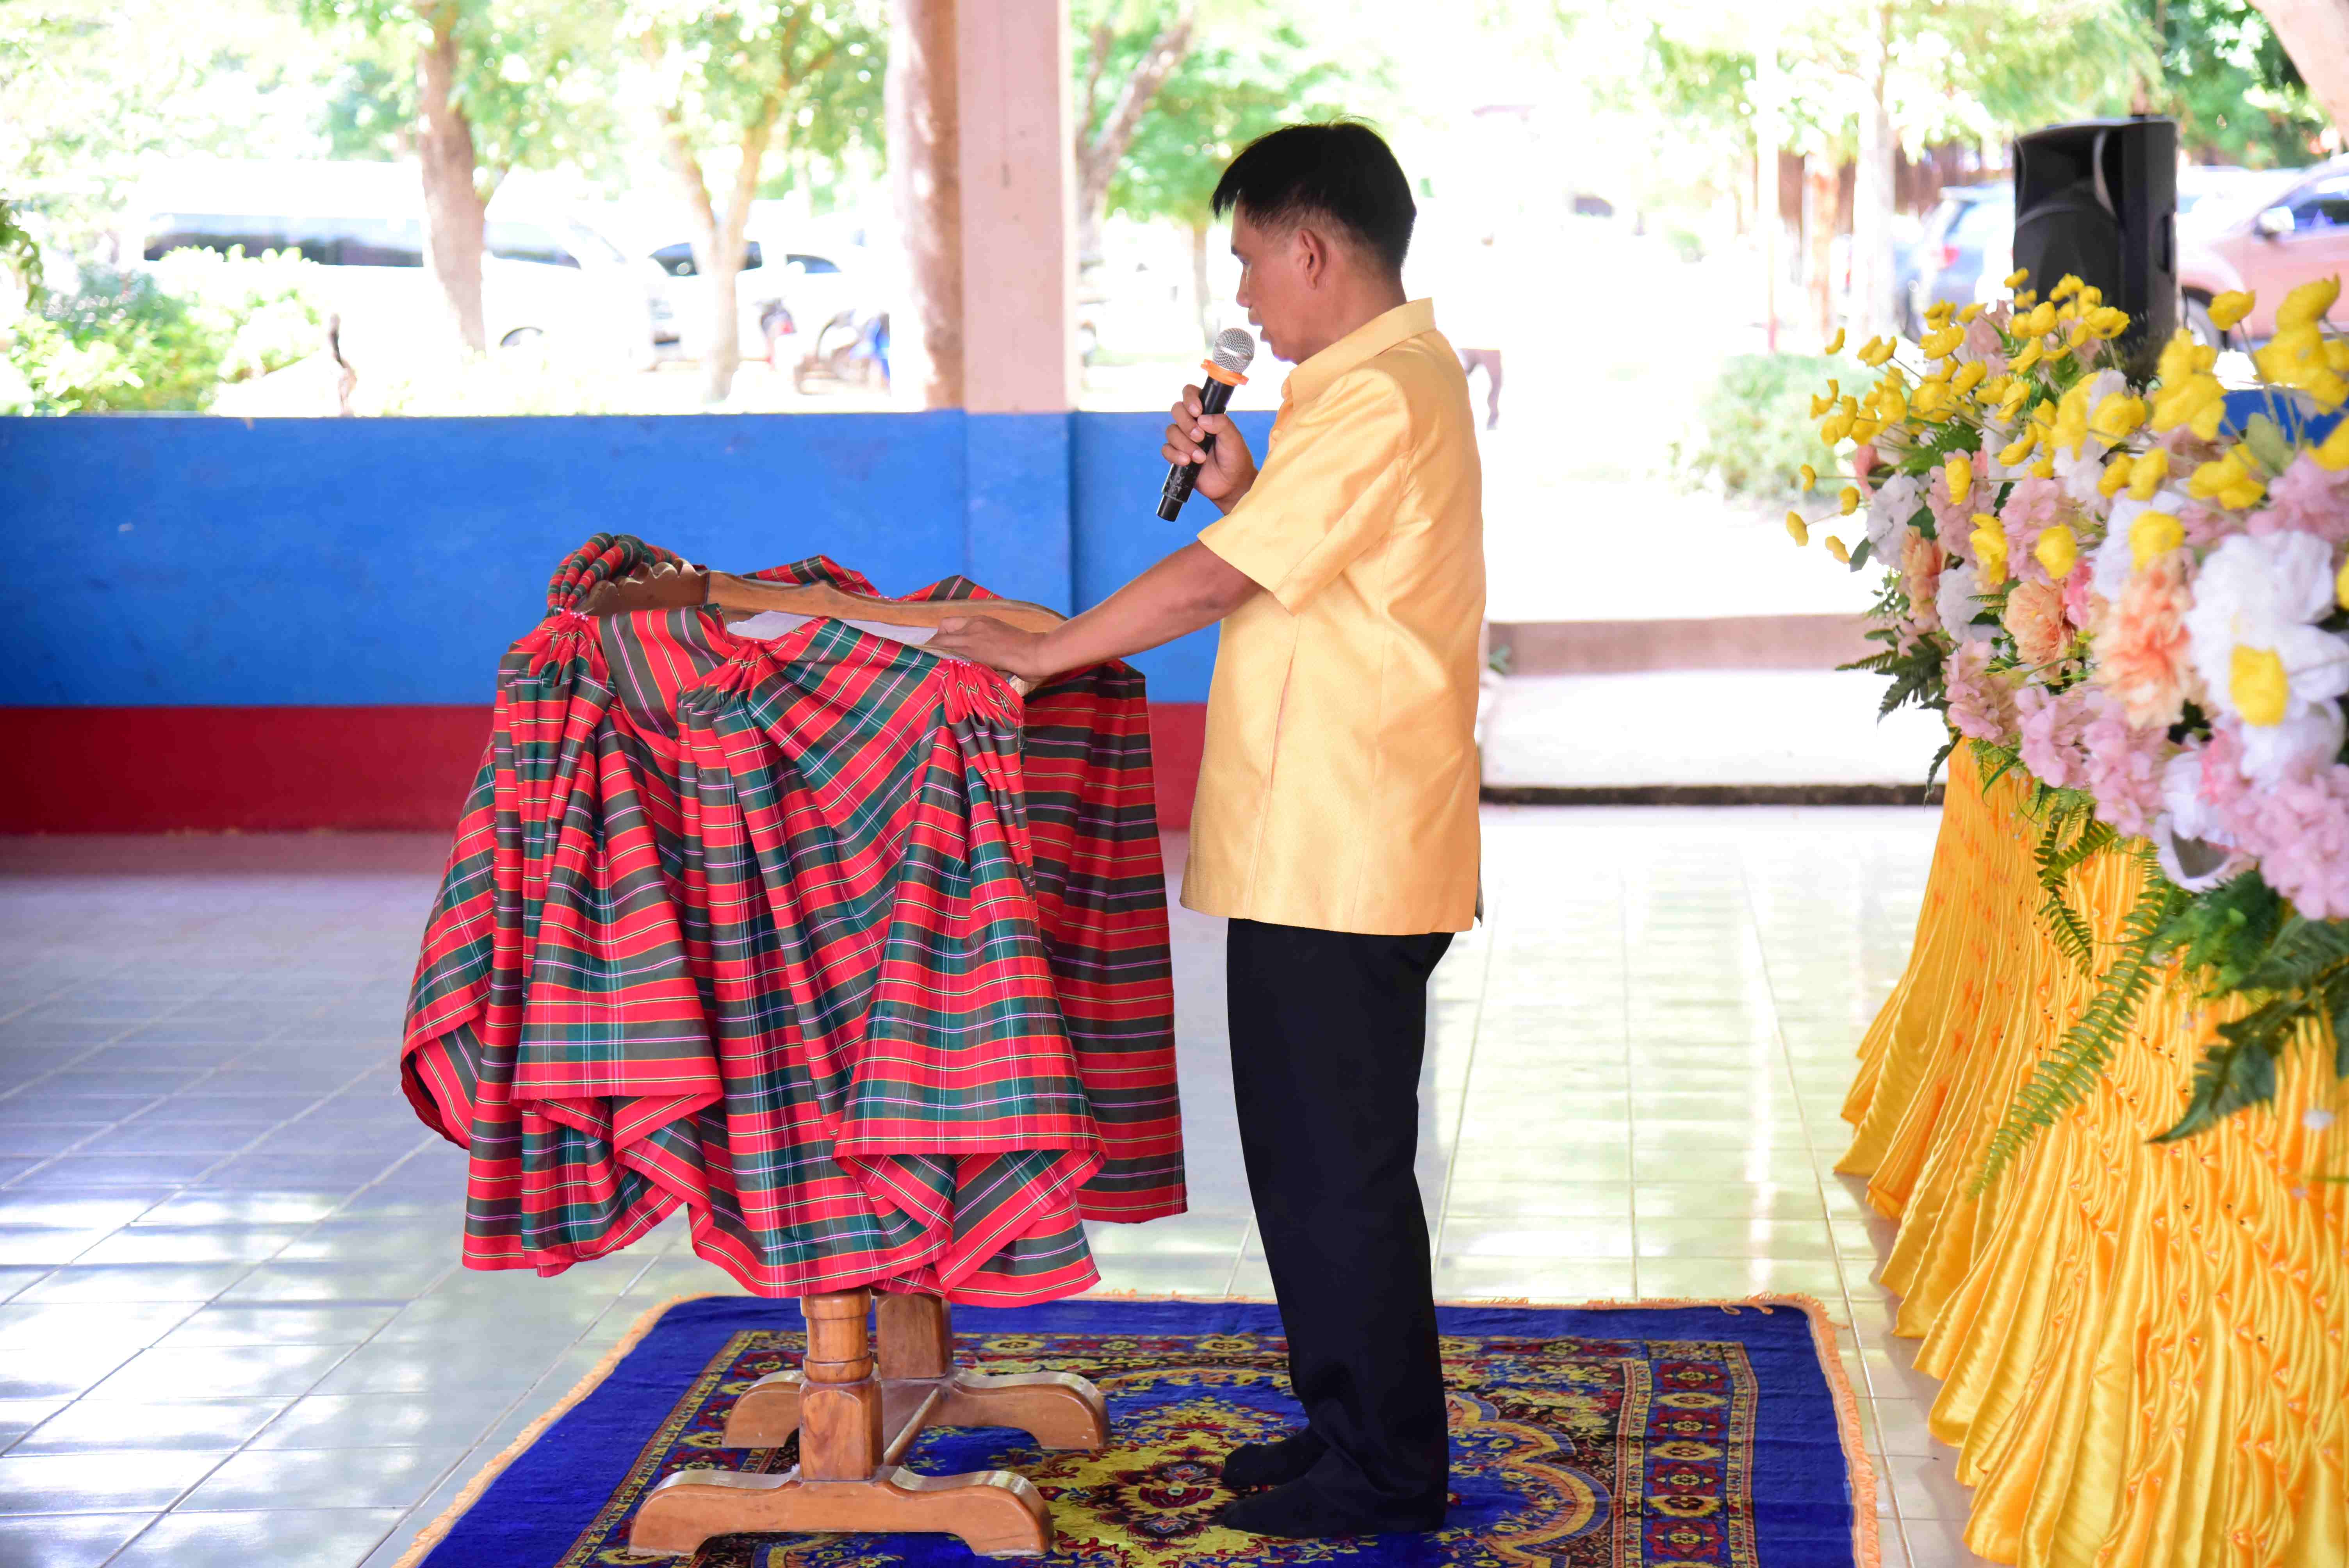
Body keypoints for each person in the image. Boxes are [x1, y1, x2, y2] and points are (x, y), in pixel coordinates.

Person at [927, 120, 1484, 1541]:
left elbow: (1213, 584)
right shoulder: (1372, 387)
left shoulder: (1377, 395)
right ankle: (1349, 1424)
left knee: (1340, 1167)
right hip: (1320, 834)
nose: (1246, 295)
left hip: (1344, 846)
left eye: (1248, 261)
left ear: (1313, 248)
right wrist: (1243, 486)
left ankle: (1387, 1468)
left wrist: (1043, 653)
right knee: (1306, 1160)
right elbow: (1304, 561)